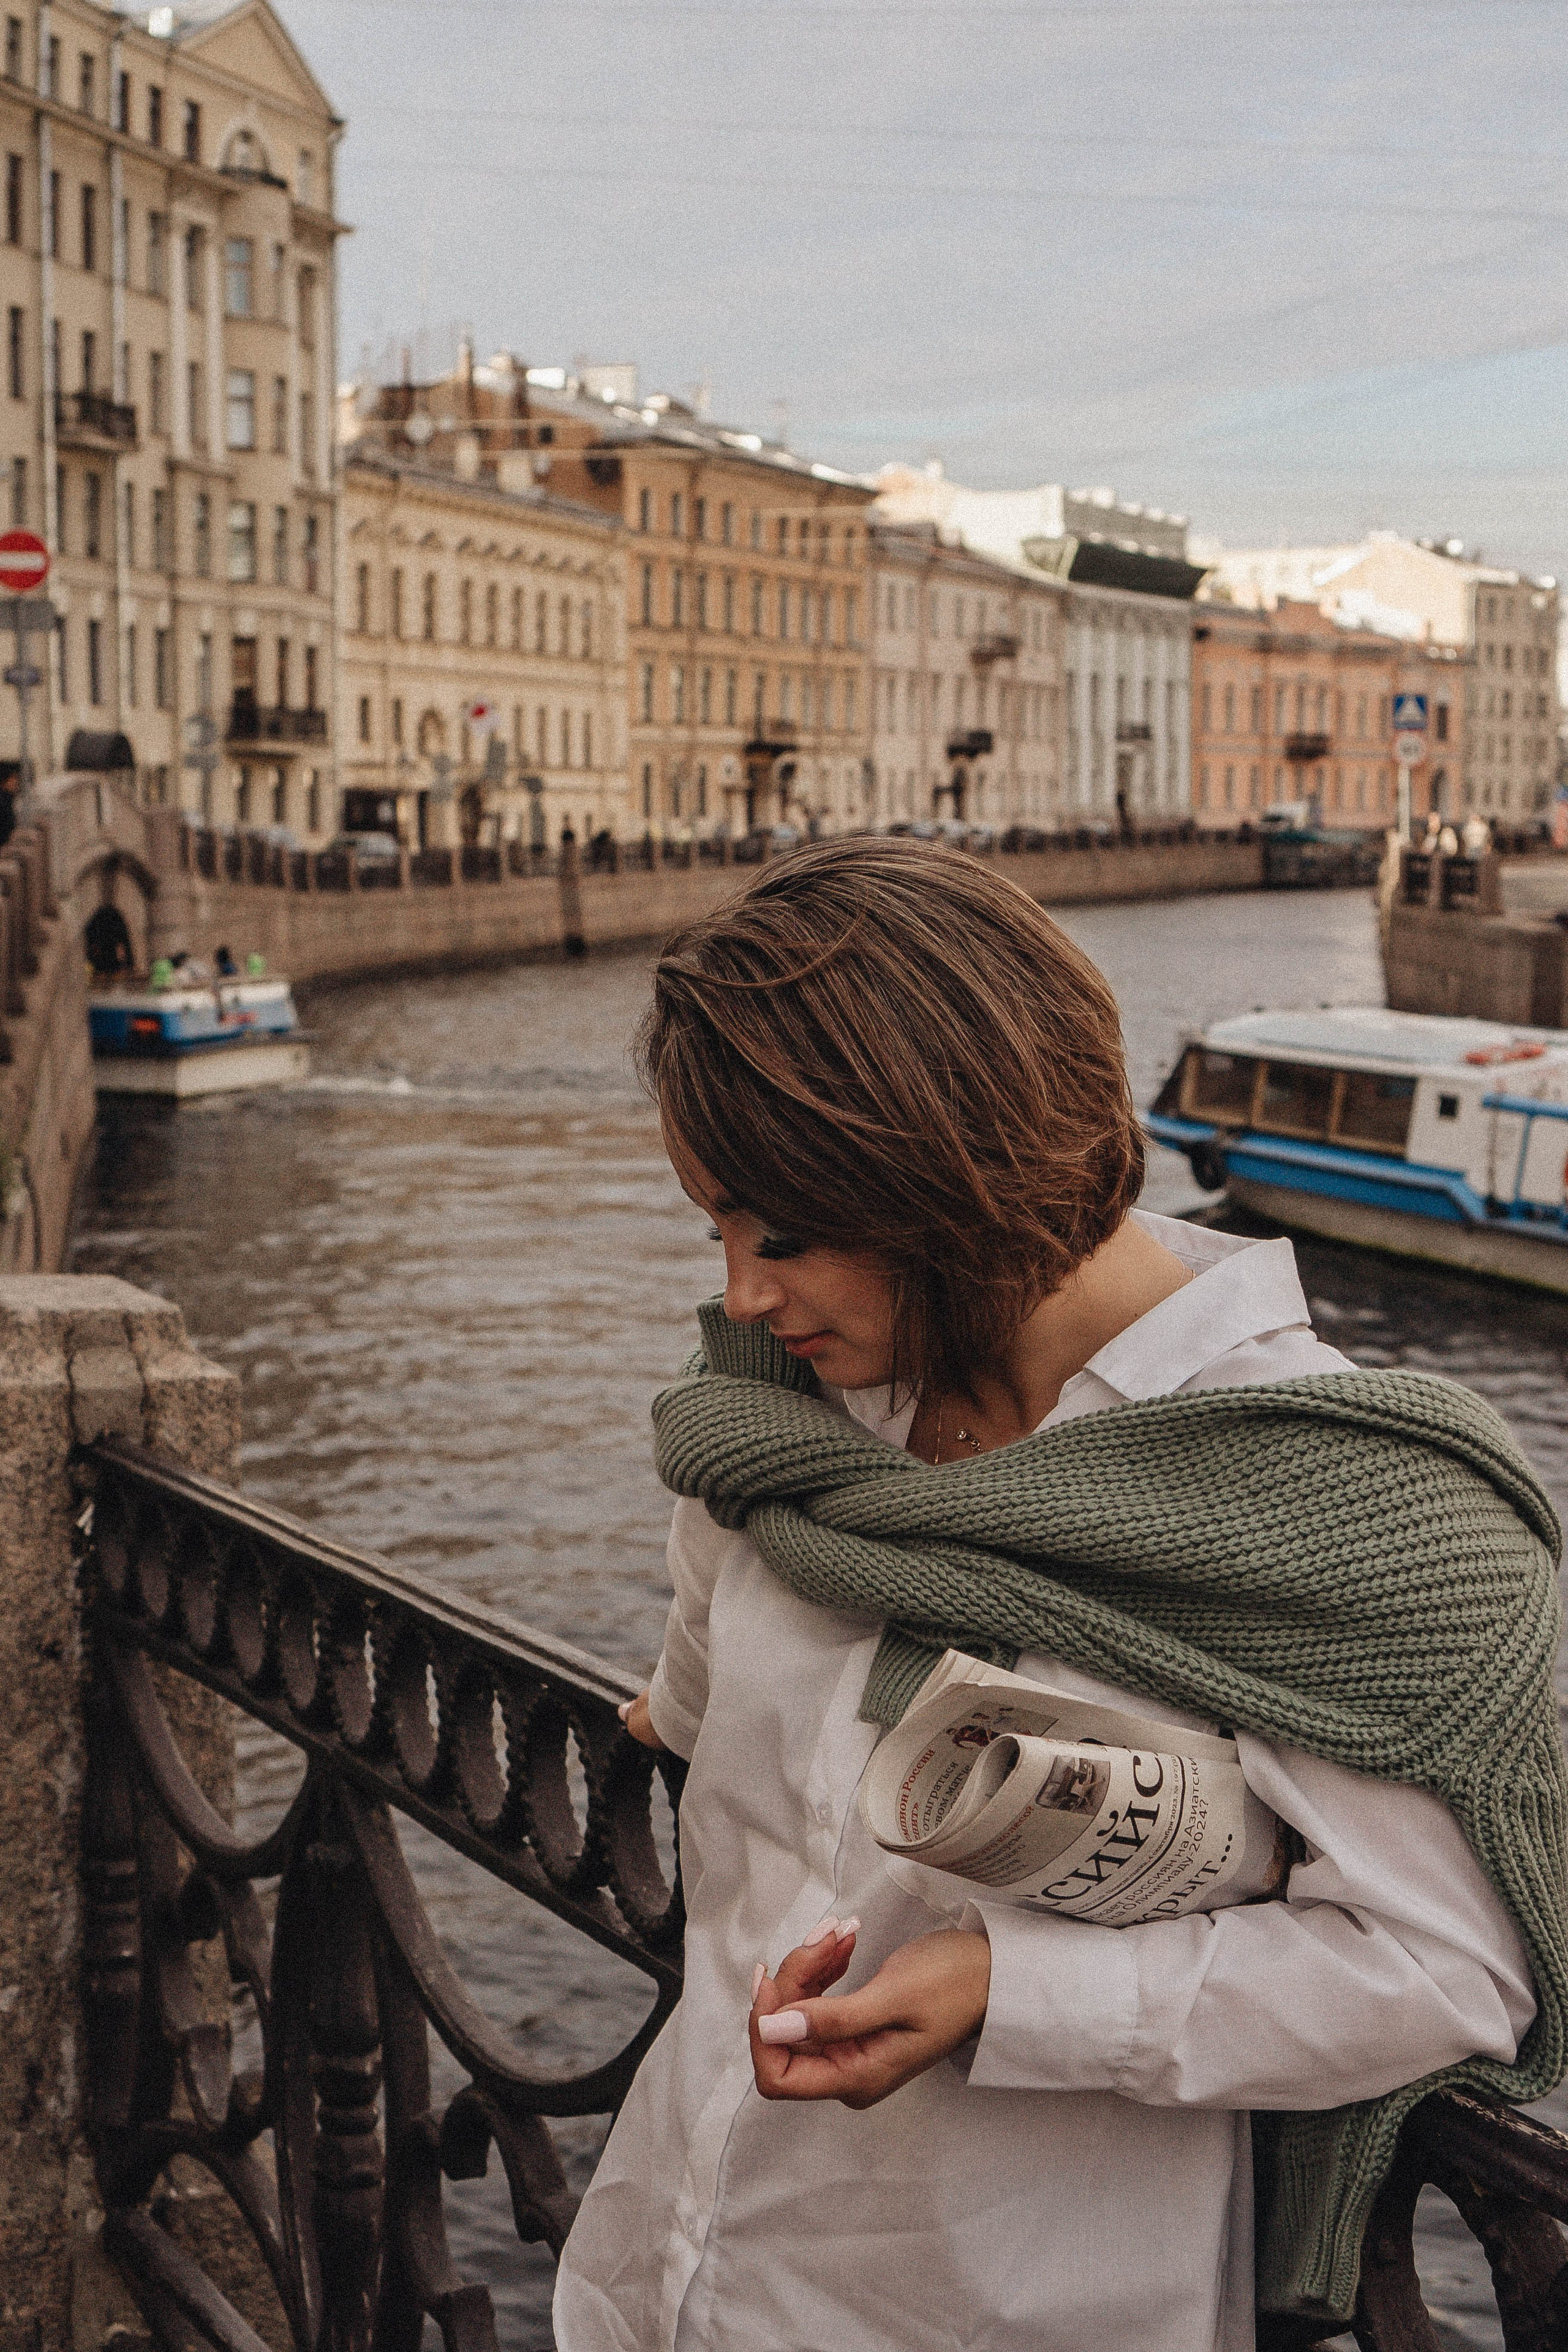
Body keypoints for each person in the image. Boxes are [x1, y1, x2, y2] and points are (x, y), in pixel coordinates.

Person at [553, 839, 1565, 2352]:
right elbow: (693, 1706)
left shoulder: (1337, 1511)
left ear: (942, 1175)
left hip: (996, 2314)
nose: (741, 1295)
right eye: (714, 1228)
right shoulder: (776, 1426)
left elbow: (1439, 1974)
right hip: (663, 2276)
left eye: (782, 1232)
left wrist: (1008, 1992)